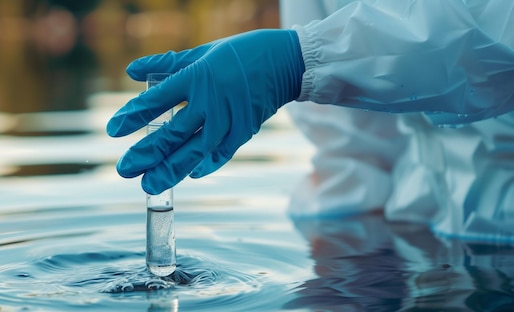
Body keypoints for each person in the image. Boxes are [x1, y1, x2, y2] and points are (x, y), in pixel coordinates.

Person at [107, 0, 514, 238]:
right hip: (422, 231)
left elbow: (498, 40)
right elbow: (351, 152)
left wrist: (303, 58)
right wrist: (334, 305)